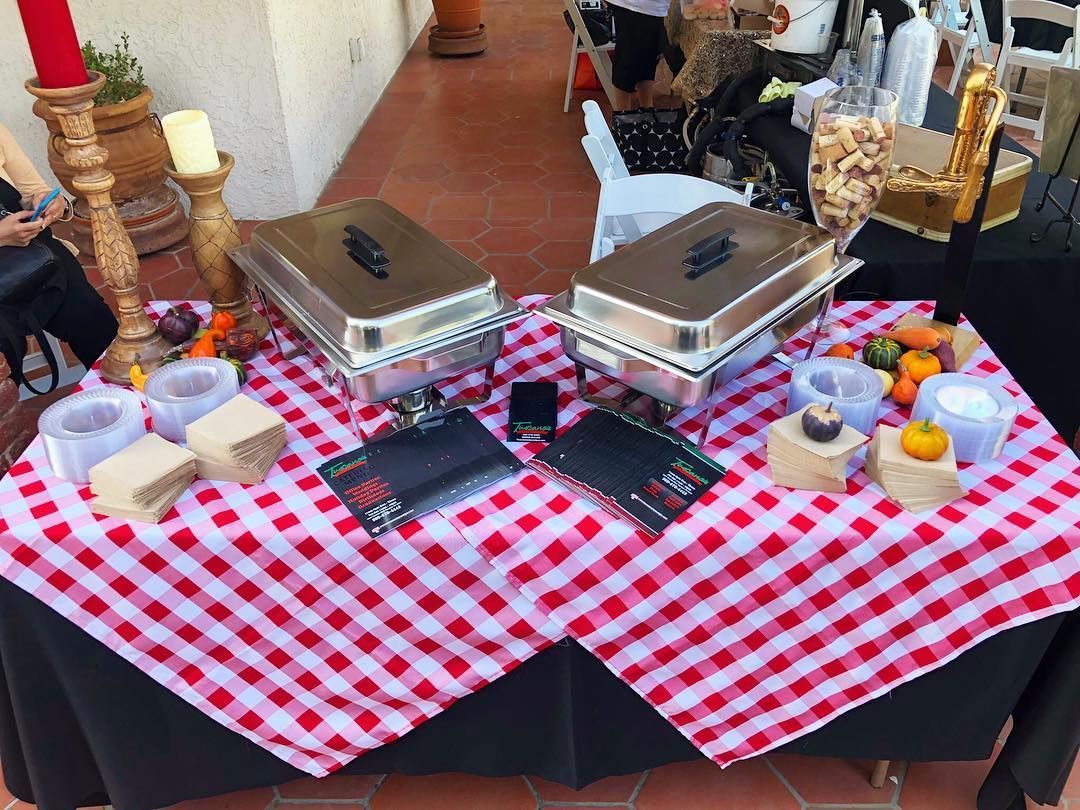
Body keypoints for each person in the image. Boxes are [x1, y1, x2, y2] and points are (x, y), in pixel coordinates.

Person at [0, 122, 117, 391]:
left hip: (39, 261)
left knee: (98, 330)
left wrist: (54, 204)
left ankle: (130, 407)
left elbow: (34, 192)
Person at [605, 0, 671, 110]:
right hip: (635, 7)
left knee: (647, 62)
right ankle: (623, 119)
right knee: (626, 68)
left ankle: (647, 110)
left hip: (652, 9)